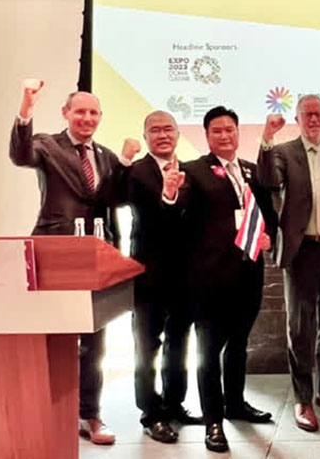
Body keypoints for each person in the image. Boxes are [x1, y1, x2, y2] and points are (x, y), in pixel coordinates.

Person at [9, 80, 139, 445]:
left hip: (97, 257)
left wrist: (126, 163)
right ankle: (48, 411)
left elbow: (115, 198)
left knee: (94, 340)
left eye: (94, 112)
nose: (87, 118)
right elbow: (20, 155)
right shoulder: (47, 145)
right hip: (54, 253)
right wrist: (26, 108)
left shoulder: (106, 156)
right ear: (65, 113)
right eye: (80, 111)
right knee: (52, 336)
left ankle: (89, 414)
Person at [162, 106, 277, 453]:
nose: (224, 136)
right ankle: (213, 421)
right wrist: (170, 192)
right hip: (209, 279)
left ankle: (235, 404)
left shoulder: (251, 171)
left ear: (238, 133)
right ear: (207, 135)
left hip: (249, 273)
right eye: (217, 131)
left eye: (230, 130)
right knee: (209, 351)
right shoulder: (193, 170)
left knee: (239, 344)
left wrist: (268, 236)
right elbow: (176, 208)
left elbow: (267, 214)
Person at [257, 94, 320, 432]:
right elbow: (268, 180)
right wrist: (267, 139)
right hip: (302, 251)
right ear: (297, 119)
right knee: (300, 327)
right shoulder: (284, 152)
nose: (314, 119)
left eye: (319, 114)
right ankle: (303, 399)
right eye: (307, 114)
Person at [127, 111, 201, 444]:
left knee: (179, 342)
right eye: (154, 130)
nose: (162, 135)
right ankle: (150, 413)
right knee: (146, 346)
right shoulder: (136, 172)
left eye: (168, 129)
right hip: (148, 273)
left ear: (177, 134)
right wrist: (168, 194)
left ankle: (174, 404)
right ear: (146, 136)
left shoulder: (190, 171)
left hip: (184, 273)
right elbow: (151, 218)